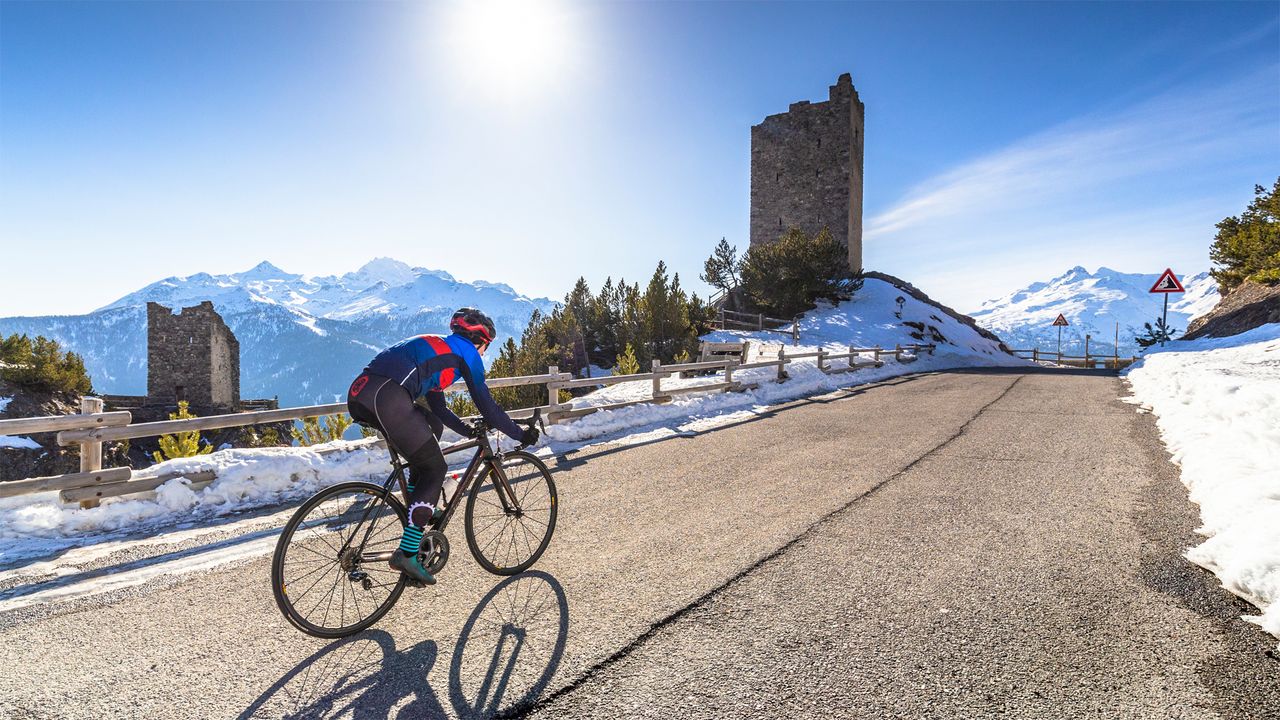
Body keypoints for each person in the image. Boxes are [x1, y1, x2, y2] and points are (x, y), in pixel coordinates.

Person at [346, 307, 538, 585]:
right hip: (388, 396)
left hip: (362, 393)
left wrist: (468, 431)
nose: (485, 353)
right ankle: (408, 554)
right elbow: (488, 407)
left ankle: (420, 505)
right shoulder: (467, 353)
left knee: (431, 427)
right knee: (435, 467)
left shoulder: (440, 351)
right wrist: (520, 435)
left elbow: (440, 411)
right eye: (487, 347)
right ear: (481, 340)